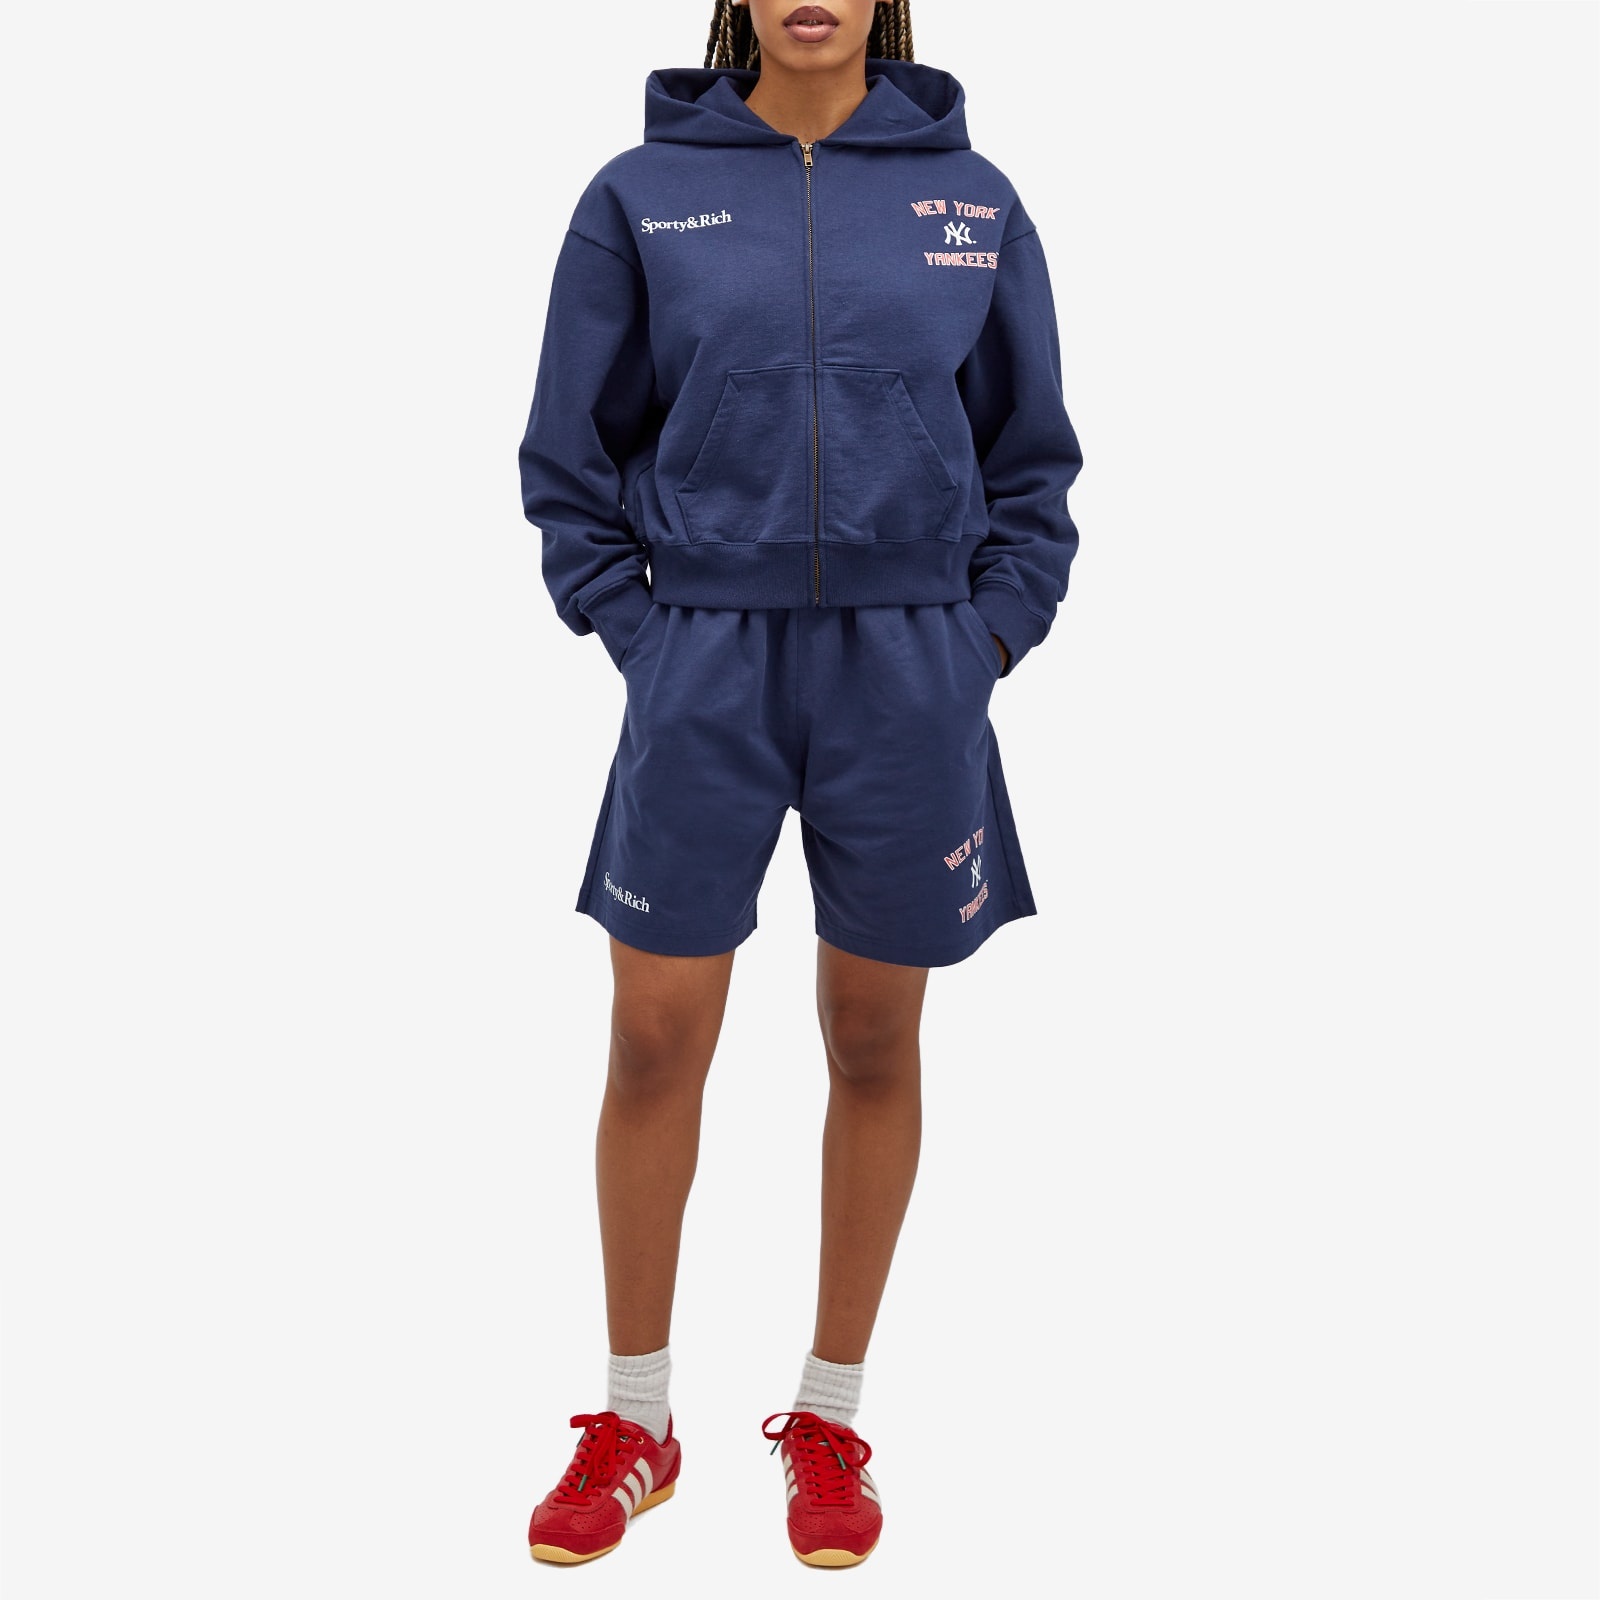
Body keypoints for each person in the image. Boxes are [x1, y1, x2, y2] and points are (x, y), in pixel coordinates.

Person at [516, 0, 1082, 1569]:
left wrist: (983, 640)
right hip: (703, 660)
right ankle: (637, 1423)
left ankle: (830, 1417)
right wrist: (643, 633)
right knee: (652, 1032)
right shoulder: (640, 194)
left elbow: (1033, 462)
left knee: (875, 1033)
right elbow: (568, 458)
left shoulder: (973, 200)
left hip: (910, 668)